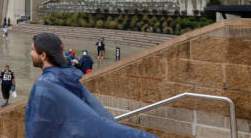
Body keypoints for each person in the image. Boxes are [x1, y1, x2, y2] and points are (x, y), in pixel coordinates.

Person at [26, 32, 156, 138]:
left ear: (43, 55)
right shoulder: (68, 78)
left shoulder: (45, 85)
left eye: (32, 50)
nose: (30, 53)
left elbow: (38, 128)